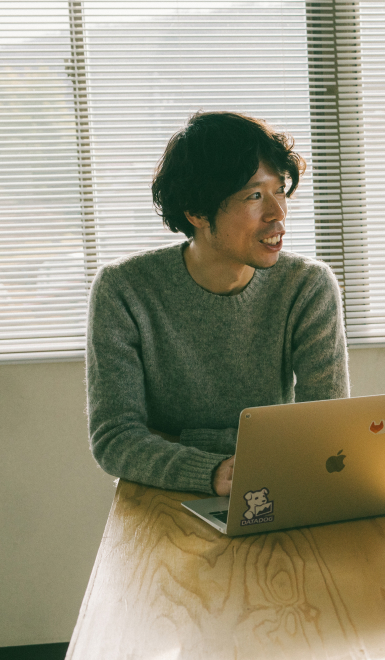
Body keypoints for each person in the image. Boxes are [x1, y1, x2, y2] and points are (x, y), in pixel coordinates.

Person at [86, 111, 349, 497]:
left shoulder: (307, 285)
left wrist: (180, 438)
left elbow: (324, 430)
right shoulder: (124, 290)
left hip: (271, 483)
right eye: (255, 195)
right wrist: (213, 470)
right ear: (196, 211)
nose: (278, 213)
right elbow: (115, 438)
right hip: (162, 495)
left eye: (279, 190)